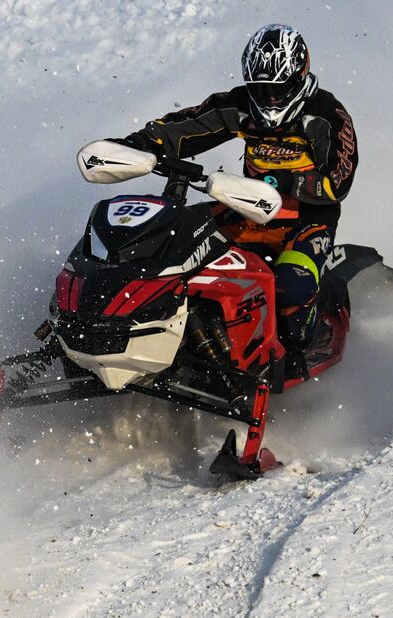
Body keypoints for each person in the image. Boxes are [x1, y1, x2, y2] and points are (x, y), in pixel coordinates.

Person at [119, 24, 358, 373]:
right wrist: (139, 143)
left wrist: (291, 182)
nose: (270, 98)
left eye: (278, 89)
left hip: (307, 221)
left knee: (291, 287)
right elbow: (186, 127)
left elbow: (340, 181)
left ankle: (293, 351)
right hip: (247, 208)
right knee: (172, 241)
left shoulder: (326, 115)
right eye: (261, 88)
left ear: (298, 75)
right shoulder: (240, 104)